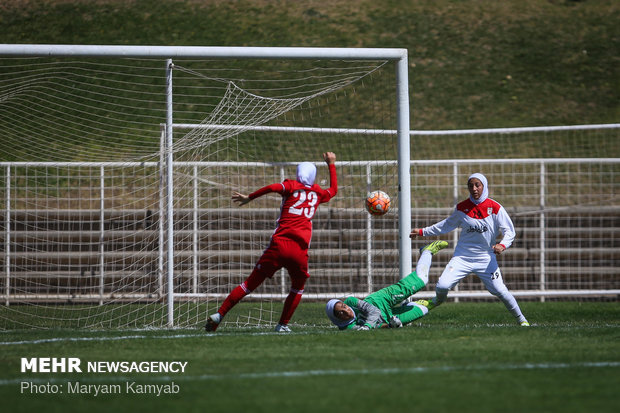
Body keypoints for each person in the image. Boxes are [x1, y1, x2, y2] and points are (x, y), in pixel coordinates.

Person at [205, 152, 338, 333]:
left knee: (248, 285)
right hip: (299, 250)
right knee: (298, 287)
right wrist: (331, 164)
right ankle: (282, 324)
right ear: (313, 177)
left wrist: (249, 197)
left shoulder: (291, 185)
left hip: (279, 245)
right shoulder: (318, 193)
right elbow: (333, 190)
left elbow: (271, 187)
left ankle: (219, 314)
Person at [410, 172, 530, 326]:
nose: (474, 188)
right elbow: (446, 225)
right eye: (470, 185)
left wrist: (502, 245)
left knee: (501, 291)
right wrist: (422, 231)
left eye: (477, 185)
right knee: (442, 286)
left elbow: (509, 231)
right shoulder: (462, 208)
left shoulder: (495, 207)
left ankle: (522, 320)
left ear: (484, 186)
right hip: (462, 258)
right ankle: (435, 302)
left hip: (486, 259)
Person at [325, 240, 448, 330]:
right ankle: (412, 305)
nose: (346, 310)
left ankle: (427, 251)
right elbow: (378, 327)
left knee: (421, 280)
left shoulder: (351, 301)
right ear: (336, 319)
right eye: (340, 312)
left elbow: (373, 311)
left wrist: (367, 326)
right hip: (384, 318)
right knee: (425, 309)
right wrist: (391, 325)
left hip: (380, 300)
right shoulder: (348, 327)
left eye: (343, 306)